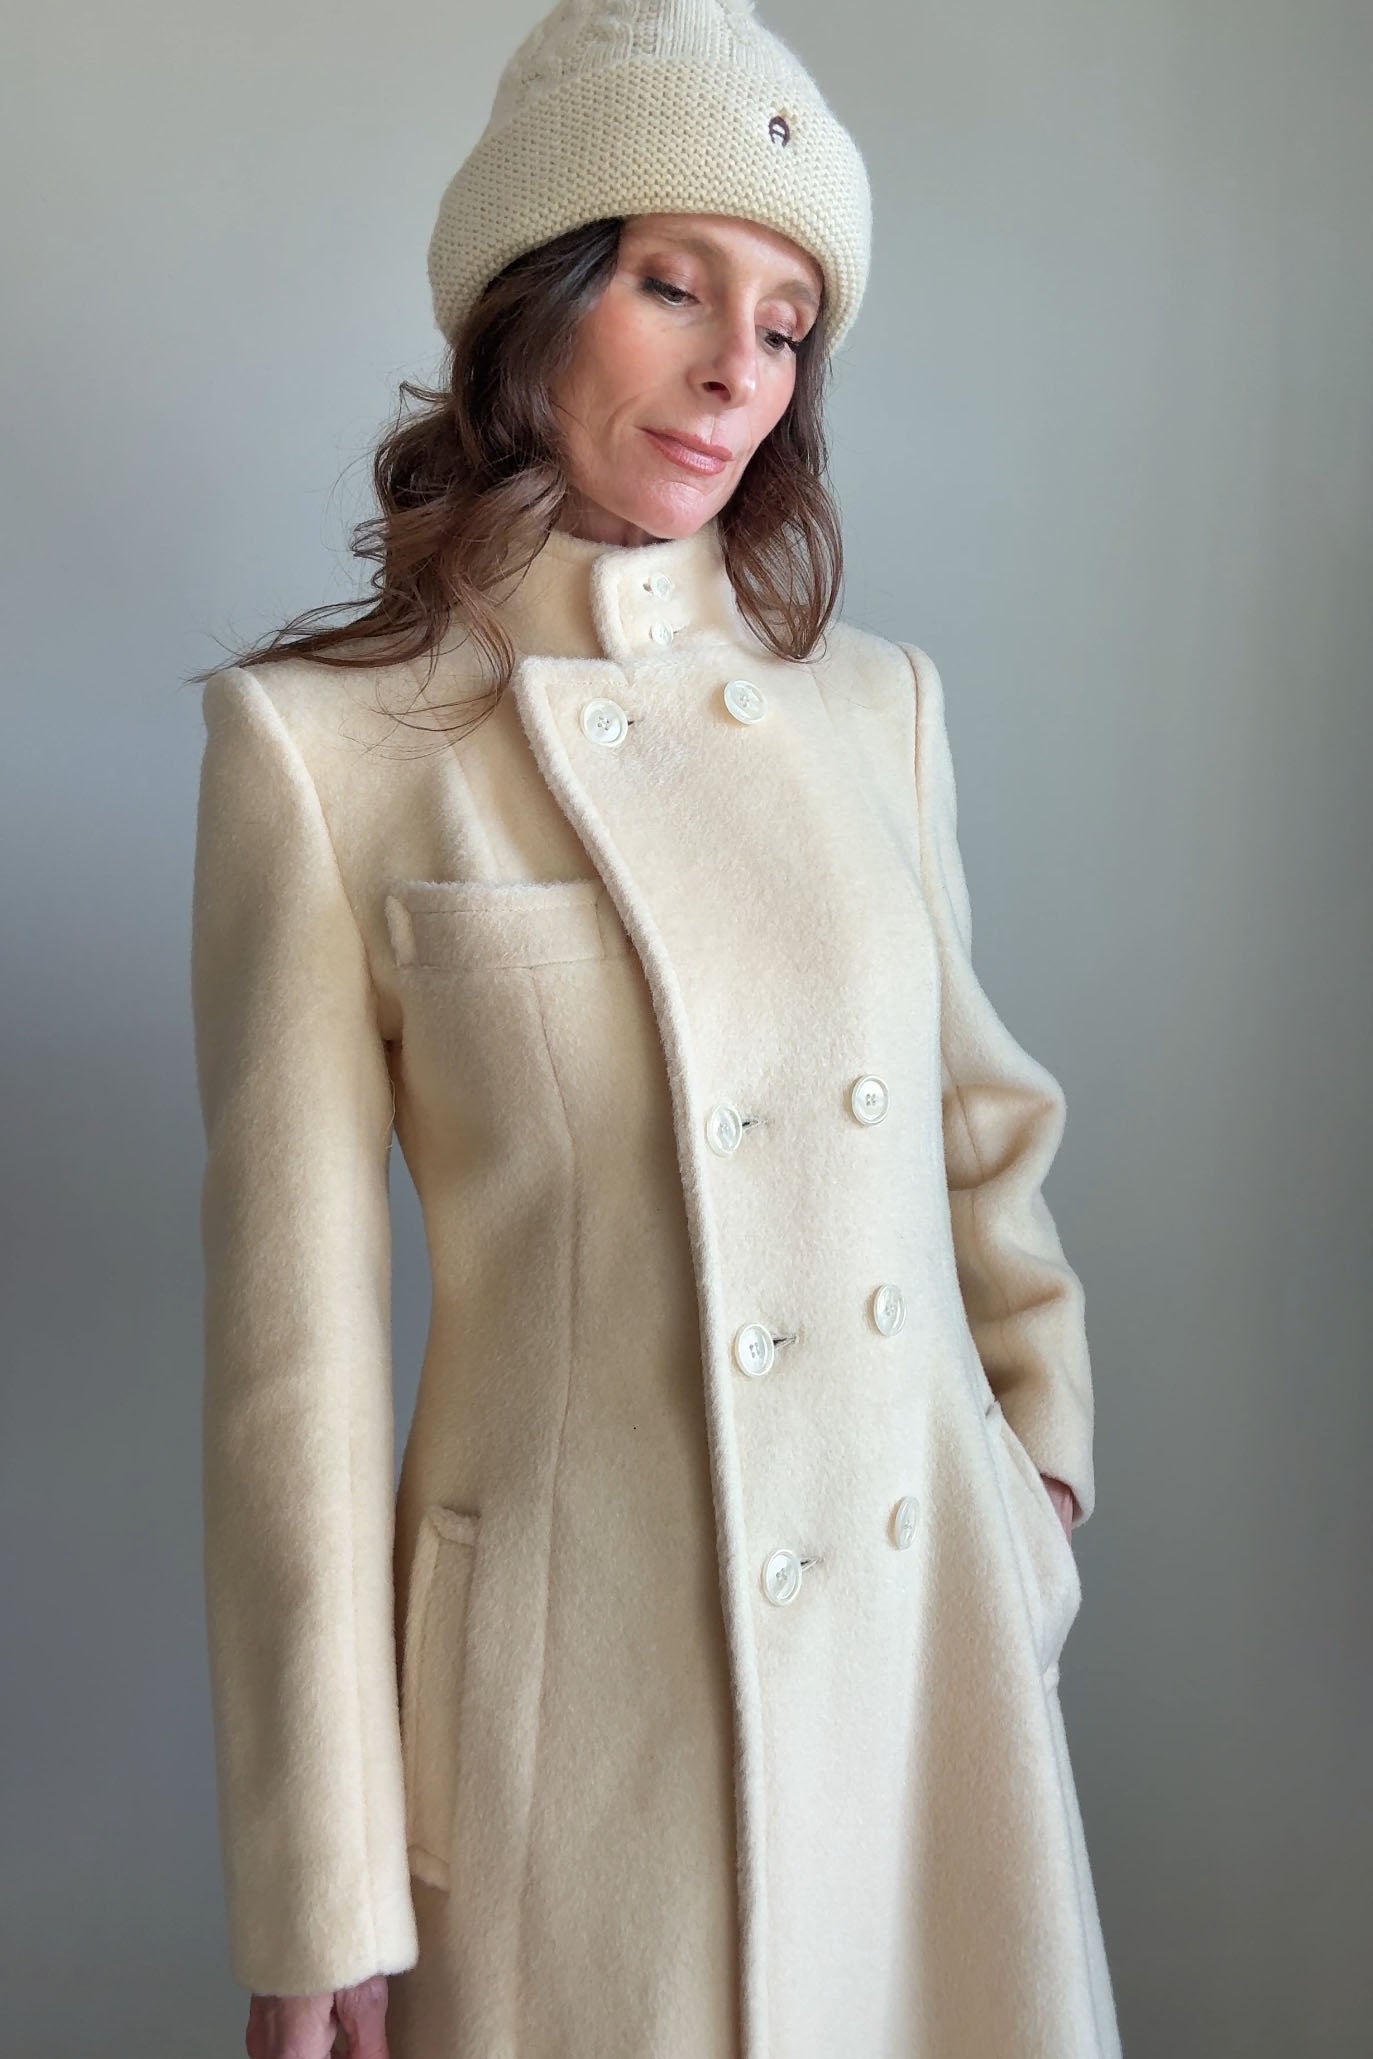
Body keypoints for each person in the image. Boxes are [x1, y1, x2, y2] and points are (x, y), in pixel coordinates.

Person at [188, 2, 1122, 2055]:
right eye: (673, 286)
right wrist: (320, 1878)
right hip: (569, 1751)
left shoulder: (874, 709)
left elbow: (981, 1140)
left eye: (785, 326)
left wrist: (1030, 1484)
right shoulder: (323, 752)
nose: (735, 376)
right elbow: (292, 1366)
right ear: (529, 302)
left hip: (919, 1686)